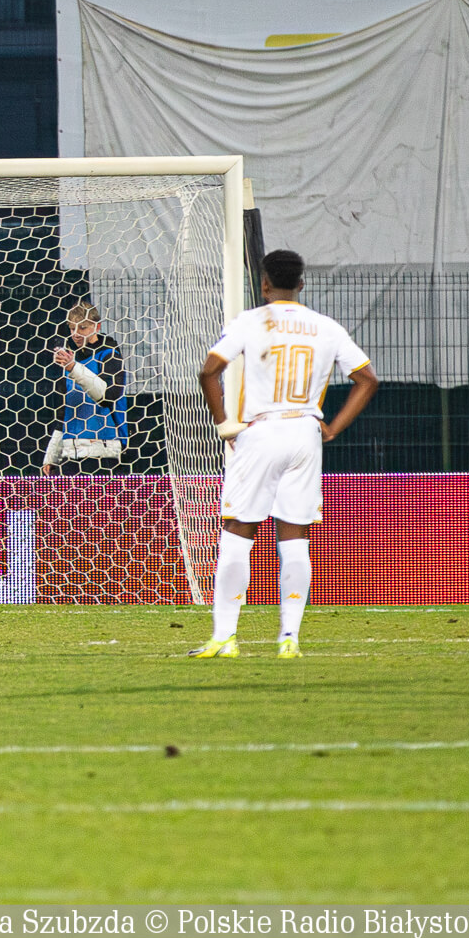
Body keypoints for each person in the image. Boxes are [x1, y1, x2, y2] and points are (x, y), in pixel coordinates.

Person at [191, 250, 378, 659]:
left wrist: (224, 423)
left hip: (261, 431)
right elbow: (367, 379)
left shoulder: (250, 321)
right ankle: (289, 638)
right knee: (295, 535)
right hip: (305, 432)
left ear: (264, 284)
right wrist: (333, 427)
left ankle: (225, 637)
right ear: (301, 284)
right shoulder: (326, 326)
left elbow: (208, 371)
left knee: (238, 531)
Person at [41, 301, 128, 476]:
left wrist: (74, 368)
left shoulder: (110, 356)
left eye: (82, 328)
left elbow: (107, 397)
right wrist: (51, 456)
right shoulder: (71, 362)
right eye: (72, 328)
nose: (76, 334)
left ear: (97, 326)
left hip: (103, 451)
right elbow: (64, 412)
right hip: (70, 453)